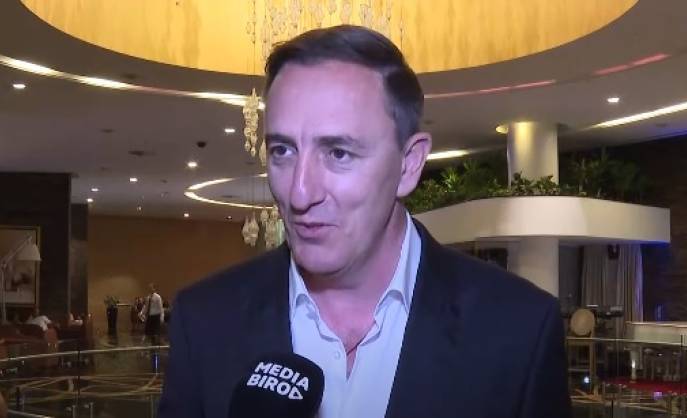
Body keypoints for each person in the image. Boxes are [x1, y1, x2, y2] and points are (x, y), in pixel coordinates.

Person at [159, 25, 570, 418]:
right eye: (283, 151)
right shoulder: (205, 320)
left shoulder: (519, 328)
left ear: (409, 165)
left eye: (338, 153)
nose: (299, 194)